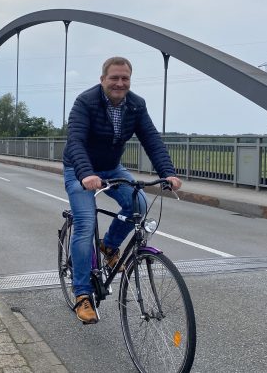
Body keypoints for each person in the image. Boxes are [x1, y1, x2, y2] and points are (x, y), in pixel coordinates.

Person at [62, 56, 182, 324]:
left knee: (138, 204)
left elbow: (151, 139)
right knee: (85, 221)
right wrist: (86, 174)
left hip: (112, 168)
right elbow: (76, 141)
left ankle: (109, 246)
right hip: (79, 169)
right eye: (114, 78)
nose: (119, 83)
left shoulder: (136, 105)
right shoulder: (85, 102)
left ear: (130, 80)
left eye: (124, 78)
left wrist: (168, 173)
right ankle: (82, 294)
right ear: (102, 79)